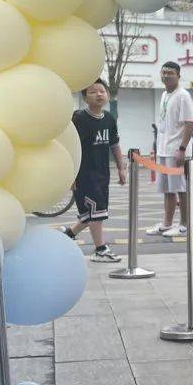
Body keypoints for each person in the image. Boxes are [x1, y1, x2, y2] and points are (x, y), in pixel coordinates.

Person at [61, 78, 126, 263]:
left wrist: (121, 168)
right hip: (84, 174)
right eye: (93, 92)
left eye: (102, 91)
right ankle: (100, 249)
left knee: (93, 213)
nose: (99, 94)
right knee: (96, 212)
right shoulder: (78, 119)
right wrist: (71, 174)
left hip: (102, 173)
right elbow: (70, 146)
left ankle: (69, 234)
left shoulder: (109, 119)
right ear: (84, 97)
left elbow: (115, 145)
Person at [147, 62, 193, 238]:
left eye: (171, 73)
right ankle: (167, 224)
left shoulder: (183, 96)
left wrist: (182, 149)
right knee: (168, 189)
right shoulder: (164, 95)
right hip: (163, 149)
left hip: (176, 150)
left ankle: (184, 225)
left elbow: (190, 124)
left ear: (178, 76)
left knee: (181, 189)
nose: (166, 76)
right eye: (164, 72)